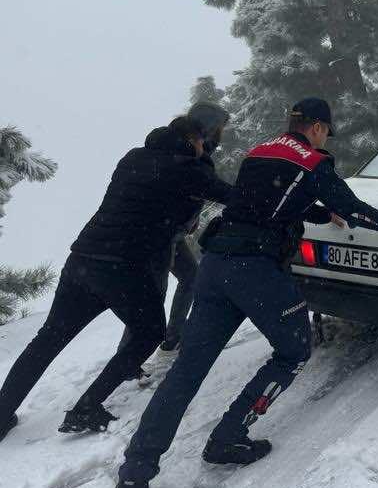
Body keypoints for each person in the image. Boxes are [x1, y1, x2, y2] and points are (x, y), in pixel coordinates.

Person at [114, 98, 378, 488]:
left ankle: (135, 472)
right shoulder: (312, 161)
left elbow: (268, 202)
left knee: (187, 370)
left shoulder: (259, 152)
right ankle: (228, 436)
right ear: (319, 128)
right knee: (293, 350)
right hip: (254, 270)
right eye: (326, 131)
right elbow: (356, 211)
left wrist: (323, 216)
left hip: (215, 265)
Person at [0, 116, 232, 443]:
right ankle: (86, 407)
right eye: (201, 143)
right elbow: (230, 195)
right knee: (149, 333)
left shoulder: (134, 156)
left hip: (82, 260)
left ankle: (0, 414)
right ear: (194, 140)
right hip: (123, 269)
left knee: (47, 339)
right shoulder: (187, 169)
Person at [118, 103, 231, 381]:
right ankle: (128, 360)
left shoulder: (195, 151)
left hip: (173, 234)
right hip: (158, 237)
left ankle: (171, 340)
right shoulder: (185, 154)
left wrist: (189, 220)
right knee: (150, 298)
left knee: (190, 277)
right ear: (208, 128)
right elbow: (193, 187)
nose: (222, 134)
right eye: (219, 128)